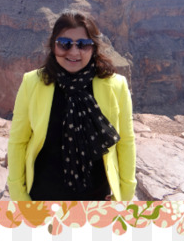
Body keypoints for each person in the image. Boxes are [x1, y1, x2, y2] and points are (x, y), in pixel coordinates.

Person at [7, 12, 136, 201]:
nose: (74, 52)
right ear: (53, 45)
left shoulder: (116, 85)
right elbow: (18, 142)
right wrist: (18, 193)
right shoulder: (32, 83)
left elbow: (126, 142)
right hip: (42, 196)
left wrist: (124, 195)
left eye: (83, 45)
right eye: (65, 43)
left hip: (97, 199)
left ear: (93, 47)